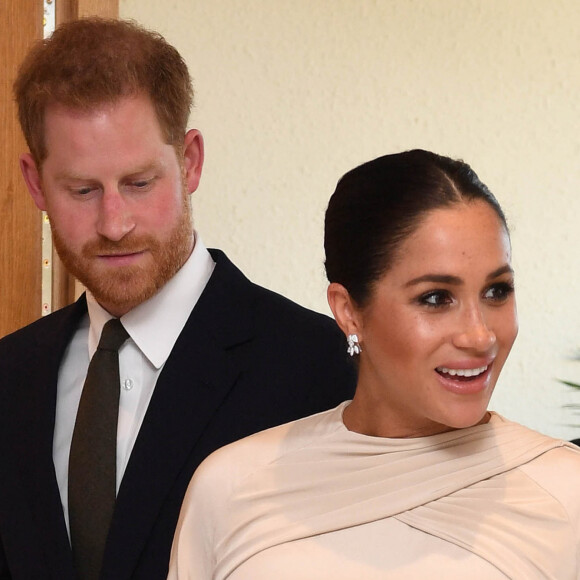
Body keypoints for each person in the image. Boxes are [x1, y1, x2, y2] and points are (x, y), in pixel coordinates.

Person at [0, 17, 356, 580]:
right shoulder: (8, 375)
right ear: (36, 183)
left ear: (189, 162)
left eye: (140, 183)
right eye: (83, 190)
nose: (114, 223)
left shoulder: (318, 368)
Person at [168, 149, 580, 579]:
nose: (479, 336)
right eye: (436, 298)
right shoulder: (229, 489)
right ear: (348, 311)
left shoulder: (567, 493)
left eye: (497, 291)